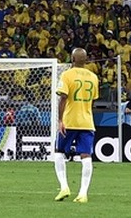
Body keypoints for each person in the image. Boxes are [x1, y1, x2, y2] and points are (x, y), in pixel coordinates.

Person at [54, 47, 98, 204]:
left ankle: (64, 187)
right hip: (87, 121)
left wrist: (60, 120)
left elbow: (63, 98)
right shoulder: (93, 77)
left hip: (70, 121)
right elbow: (93, 100)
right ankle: (83, 193)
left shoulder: (67, 75)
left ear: (72, 59)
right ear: (85, 60)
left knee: (59, 152)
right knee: (86, 156)